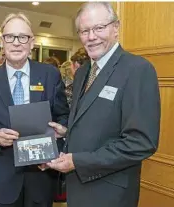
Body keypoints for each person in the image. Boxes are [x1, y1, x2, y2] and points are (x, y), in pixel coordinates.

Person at [46, 3, 161, 207]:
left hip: (109, 194)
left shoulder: (137, 70)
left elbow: (141, 142)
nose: (91, 37)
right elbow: (95, 120)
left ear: (116, 28)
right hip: (78, 188)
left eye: (99, 28)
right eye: (85, 31)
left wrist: (78, 162)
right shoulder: (83, 72)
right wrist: (67, 132)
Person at [0, 13, 69, 207]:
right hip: (4, 174)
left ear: (32, 43)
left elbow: (63, 115)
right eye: (10, 37)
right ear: (2, 42)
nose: (16, 43)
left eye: (23, 37)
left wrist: (62, 131)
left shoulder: (49, 75)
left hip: (41, 173)